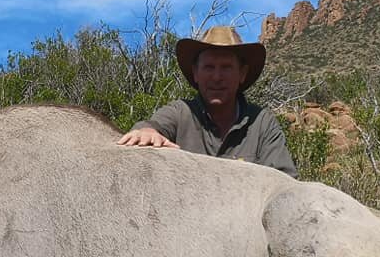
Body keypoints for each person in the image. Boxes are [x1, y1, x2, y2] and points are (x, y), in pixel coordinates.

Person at [117, 26, 297, 177]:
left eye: (226, 68)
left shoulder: (262, 122)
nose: (217, 77)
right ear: (195, 72)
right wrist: (147, 132)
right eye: (209, 67)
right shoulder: (180, 112)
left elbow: (284, 181)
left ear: (242, 73)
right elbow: (151, 126)